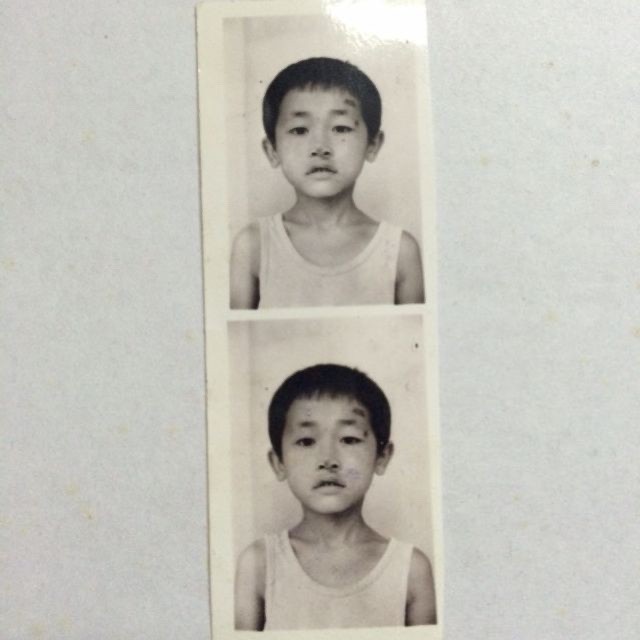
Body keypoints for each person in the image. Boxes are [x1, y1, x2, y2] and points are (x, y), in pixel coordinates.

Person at [234, 364, 436, 630]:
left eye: (349, 439)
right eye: (306, 441)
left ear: (382, 456)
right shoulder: (260, 564)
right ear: (278, 462)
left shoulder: (410, 569)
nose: (328, 459)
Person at [230, 57, 425, 308]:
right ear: (272, 150)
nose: (320, 147)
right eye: (300, 130)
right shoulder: (253, 245)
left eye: (341, 128)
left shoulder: (399, 251)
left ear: (373, 144)